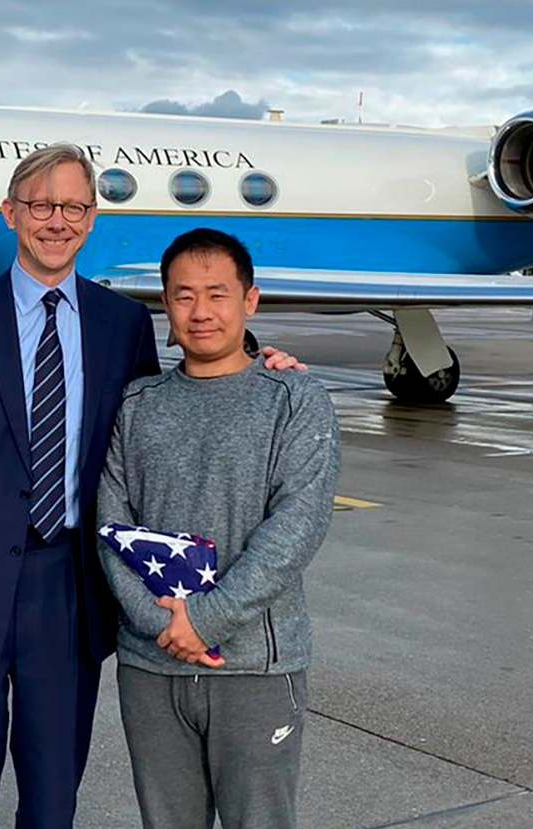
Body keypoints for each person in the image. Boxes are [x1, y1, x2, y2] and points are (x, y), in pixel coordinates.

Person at [0, 145, 302, 829]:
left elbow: (175, 398)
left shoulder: (123, 325)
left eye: (74, 205)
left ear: (91, 218)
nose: (58, 219)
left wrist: (264, 362)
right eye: (42, 204)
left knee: (52, 807)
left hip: (70, 595)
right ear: (11, 213)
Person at [97, 228, 340, 829]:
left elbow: (296, 527)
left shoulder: (294, 399)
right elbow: (111, 525)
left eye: (217, 294)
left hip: (256, 666)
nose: (200, 312)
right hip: (151, 665)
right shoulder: (136, 404)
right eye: (183, 296)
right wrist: (162, 626)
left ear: (249, 301)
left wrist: (203, 621)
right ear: (165, 304)